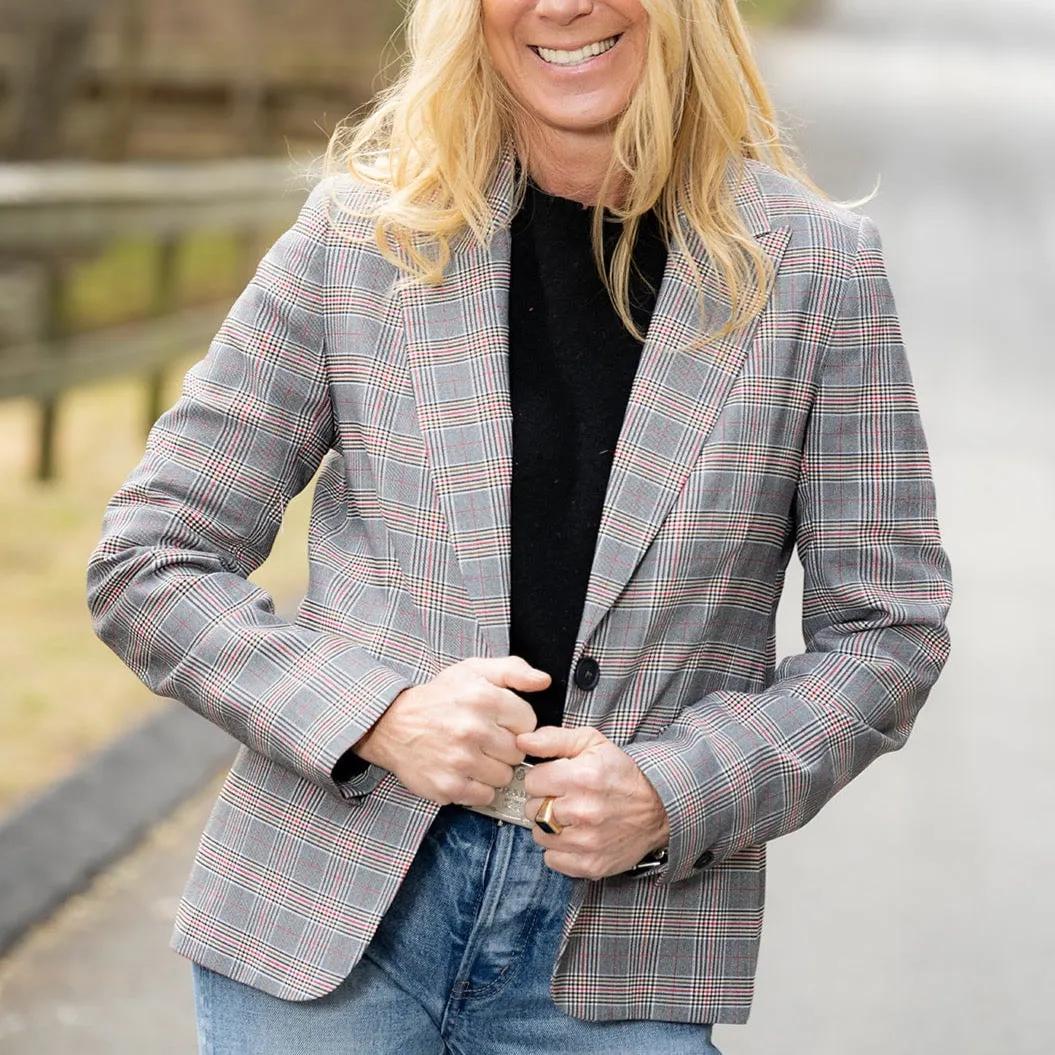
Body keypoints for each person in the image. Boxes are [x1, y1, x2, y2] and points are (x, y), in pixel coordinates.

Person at [88, 0, 952, 1052]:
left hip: (620, 963)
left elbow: (884, 632)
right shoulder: (359, 237)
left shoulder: (818, 276)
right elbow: (150, 556)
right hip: (324, 933)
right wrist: (378, 715)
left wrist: (673, 789)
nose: (561, 6)